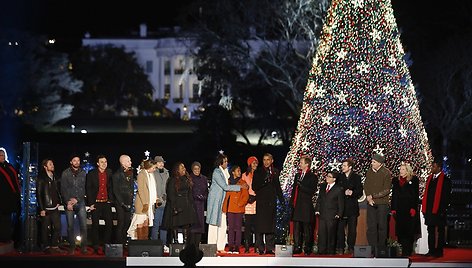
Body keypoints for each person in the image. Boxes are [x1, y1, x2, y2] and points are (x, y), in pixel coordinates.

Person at [206, 154, 248, 254]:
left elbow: (232, 179)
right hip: (216, 201)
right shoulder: (217, 172)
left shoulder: (224, 172)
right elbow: (225, 186)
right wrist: (240, 187)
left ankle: (220, 247)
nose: (226, 163)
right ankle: (211, 247)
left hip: (222, 202)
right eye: (225, 161)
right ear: (220, 162)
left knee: (223, 225)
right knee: (214, 225)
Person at [252, 153, 284, 255]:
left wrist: (282, 200)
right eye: (264, 160)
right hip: (261, 202)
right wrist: (264, 181)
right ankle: (260, 248)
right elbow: (254, 186)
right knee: (260, 225)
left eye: (268, 160)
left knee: (270, 226)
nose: (266, 162)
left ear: (272, 161)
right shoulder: (258, 171)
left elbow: (277, 186)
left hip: (271, 202)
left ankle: (269, 248)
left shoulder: (275, 172)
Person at [421, 160, 451, 258]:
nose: (432, 168)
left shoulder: (446, 180)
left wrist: (443, 210)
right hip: (429, 210)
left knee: (440, 231)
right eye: (432, 166)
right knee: (431, 230)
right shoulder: (429, 179)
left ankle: (439, 251)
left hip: (440, 210)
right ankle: (431, 250)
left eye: (434, 166)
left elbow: (446, 197)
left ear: (439, 168)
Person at [86, 154, 114, 254]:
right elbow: (88, 189)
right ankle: (96, 245)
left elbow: (111, 187)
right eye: (102, 162)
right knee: (95, 225)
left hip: (106, 202)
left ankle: (106, 244)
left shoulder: (110, 172)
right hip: (96, 203)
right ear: (98, 163)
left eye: (105, 162)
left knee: (109, 224)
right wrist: (91, 203)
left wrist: (111, 200)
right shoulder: (91, 173)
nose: (104, 164)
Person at [363, 153, 392, 252]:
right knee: (371, 226)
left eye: (374, 162)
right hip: (371, 203)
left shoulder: (386, 173)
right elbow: (366, 185)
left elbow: (387, 190)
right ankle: (372, 248)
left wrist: (373, 196)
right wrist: (368, 197)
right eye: (372, 161)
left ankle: (381, 248)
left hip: (382, 204)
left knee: (382, 226)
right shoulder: (369, 172)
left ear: (380, 163)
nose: (372, 163)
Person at [163, 162, 197, 245]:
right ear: (177, 170)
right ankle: (176, 242)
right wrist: (174, 206)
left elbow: (189, 192)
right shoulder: (172, 180)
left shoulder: (187, 179)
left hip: (186, 204)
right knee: (175, 224)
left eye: (184, 167)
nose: (184, 169)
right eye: (182, 167)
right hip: (176, 204)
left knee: (186, 224)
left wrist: (191, 204)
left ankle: (185, 242)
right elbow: (171, 194)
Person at [290, 156, 318, 255]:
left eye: (301, 162)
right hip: (297, 204)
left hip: (306, 205)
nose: (300, 164)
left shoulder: (313, 176)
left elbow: (312, 191)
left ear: (307, 164)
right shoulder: (297, 175)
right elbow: (294, 190)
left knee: (307, 228)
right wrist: (291, 202)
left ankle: (307, 248)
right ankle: (297, 247)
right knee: (297, 227)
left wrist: (301, 186)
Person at [61, 154, 88, 255]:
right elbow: (63, 189)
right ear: (71, 162)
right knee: (70, 226)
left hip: (80, 202)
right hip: (69, 203)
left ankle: (83, 247)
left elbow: (84, 188)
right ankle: (71, 246)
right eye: (75, 160)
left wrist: (77, 199)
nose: (77, 162)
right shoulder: (65, 173)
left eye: (78, 160)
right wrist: (68, 202)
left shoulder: (83, 173)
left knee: (84, 226)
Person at [391, 162, 420, 257]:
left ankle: (408, 251)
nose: (401, 171)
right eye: (400, 169)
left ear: (408, 171)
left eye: (403, 169)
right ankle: (404, 250)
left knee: (409, 231)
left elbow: (415, 195)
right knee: (401, 231)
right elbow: (394, 195)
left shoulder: (414, 180)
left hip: (409, 209)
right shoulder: (396, 180)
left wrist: (413, 208)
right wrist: (393, 208)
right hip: (399, 209)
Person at [37, 158, 64, 254]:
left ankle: (54, 245)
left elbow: (58, 190)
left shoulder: (55, 177)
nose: (52, 165)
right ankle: (46, 246)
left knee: (57, 227)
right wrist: (42, 208)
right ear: (45, 166)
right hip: (46, 208)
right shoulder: (41, 178)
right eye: (50, 164)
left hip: (55, 207)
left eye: (52, 163)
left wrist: (59, 201)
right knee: (45, 228)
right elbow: (39, 194)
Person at [336, 158, 363, 254]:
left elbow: (360, 191)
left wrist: (352, 192)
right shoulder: (339, 177)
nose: (342, 167)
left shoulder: (356, 177)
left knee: (352, 230)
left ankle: (351, 247)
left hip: (352, 207)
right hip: (341, 207)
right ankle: (340, 247)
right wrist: (343, 192)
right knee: (340, 229)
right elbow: (336, 190)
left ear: (350, 167)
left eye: (344, 166)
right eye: (342, 166)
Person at [315, 171, 344, 255]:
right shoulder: (323, 186)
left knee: (331, 233)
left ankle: (330, 251)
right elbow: (319, 199)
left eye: (329, 176)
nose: (327, 177)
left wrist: (339, 213)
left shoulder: (338, 189)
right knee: (322, 233)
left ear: (334, 179)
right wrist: (317, 209)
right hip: (323, 213)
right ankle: (321, 250)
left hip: (332, 214)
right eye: (327, 176)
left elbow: (341, 202)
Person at [128, 159, 158, 240]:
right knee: (139, 223)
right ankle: (136, 241)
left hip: (148, 203)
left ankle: (143, 241)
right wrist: (145, 203)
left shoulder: (150, 175)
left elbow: (152, 189)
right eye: (153, 168)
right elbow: (141, 190)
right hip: (142, 203)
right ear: (149, 167)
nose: (154, 170)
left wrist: (156, 198)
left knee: (145, 223)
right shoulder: (141, 174)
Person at [222, 165, 249, 254]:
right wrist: (224, 206)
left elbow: (245, 196)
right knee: (230, 228)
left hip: (239, 208)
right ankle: (230, 246)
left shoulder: (243, 183)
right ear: (233, 172)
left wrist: (240, 204)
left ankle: (237, 246)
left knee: (238, 228)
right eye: (237, 170)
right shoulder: (228, 182)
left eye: (240, 170)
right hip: (230, 208)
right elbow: (226, 195)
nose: (239, 172)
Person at [112, 154, 135, 244]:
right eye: (128, 161)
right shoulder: (117, 175)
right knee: (121, 223)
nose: (130, 162)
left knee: (127, 223)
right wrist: (122, 203)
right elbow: (115, 191)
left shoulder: (130, 173)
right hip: (120, 203)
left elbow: (131, 188)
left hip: (128, 201)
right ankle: (119, 243)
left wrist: (131, 200)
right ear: (123, 163)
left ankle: (124, 240)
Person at [0, 148, 20, 246]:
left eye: (3, 155)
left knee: (7, 220)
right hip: (1, 198)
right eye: (0, 155)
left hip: (9, 199)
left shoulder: (10, 167)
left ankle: (6, 237)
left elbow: (15, 182)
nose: (2, 157)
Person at [242, 156, 260, 253]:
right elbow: (242, 187)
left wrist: (256, 196)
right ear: (249, 164)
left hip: (257, 202)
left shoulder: (259, 174)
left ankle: (257, 246)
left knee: (257, 226)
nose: (255, 164)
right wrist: (248, 197)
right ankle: (247, 246)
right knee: (248, 226)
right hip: (248, 203)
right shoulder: (244, 175)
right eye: (253, 163)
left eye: (256, 163)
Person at [151, 156, 169, 246]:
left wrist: (167, 196)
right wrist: (157, 197)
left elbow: (168, 186)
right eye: (159, 162)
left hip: (166, 202)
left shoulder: (166, 173)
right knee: (156, 224)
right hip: (157, 202)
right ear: (155, 163)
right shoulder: (153, 173)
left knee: (164, 224)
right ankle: (154, 244)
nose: (161, 164)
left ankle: (163, 244)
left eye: (162, 162)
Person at [189, 161, 208, 248]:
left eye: (198, 168)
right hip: (192, 205)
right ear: (192, 169)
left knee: (200, 226)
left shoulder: (204, 178)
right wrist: (196, 196)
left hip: (201, 204)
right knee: (193, 226)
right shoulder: (189, 178)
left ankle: (197, 246)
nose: (197, 170)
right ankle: (192, 246)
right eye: (195, 169)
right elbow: (189, 191)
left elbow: (206, 191)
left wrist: (203, 197)